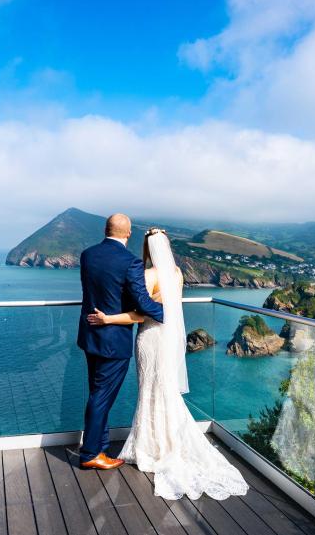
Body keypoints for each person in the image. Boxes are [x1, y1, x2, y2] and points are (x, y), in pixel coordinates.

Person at [87, 228, 248, 500]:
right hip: (168, 337)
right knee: (165, 389)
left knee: (149, 389)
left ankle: (152, 446)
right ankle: (167, 443)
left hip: (150, 337)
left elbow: (141, 315)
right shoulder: (177, 273)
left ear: (148, 249)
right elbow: (171, 307)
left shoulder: (149, 275)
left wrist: (108, 319)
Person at [77, 213, 164, 470]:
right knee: (101, 396)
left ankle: (99, 446)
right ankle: (90, 453)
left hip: (90, 335)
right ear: (128, 234)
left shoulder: (87, 255)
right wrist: (167, 314)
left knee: (96, 392)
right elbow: (142, 302)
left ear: (106, 229)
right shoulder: (130, 262)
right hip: (113, 341)